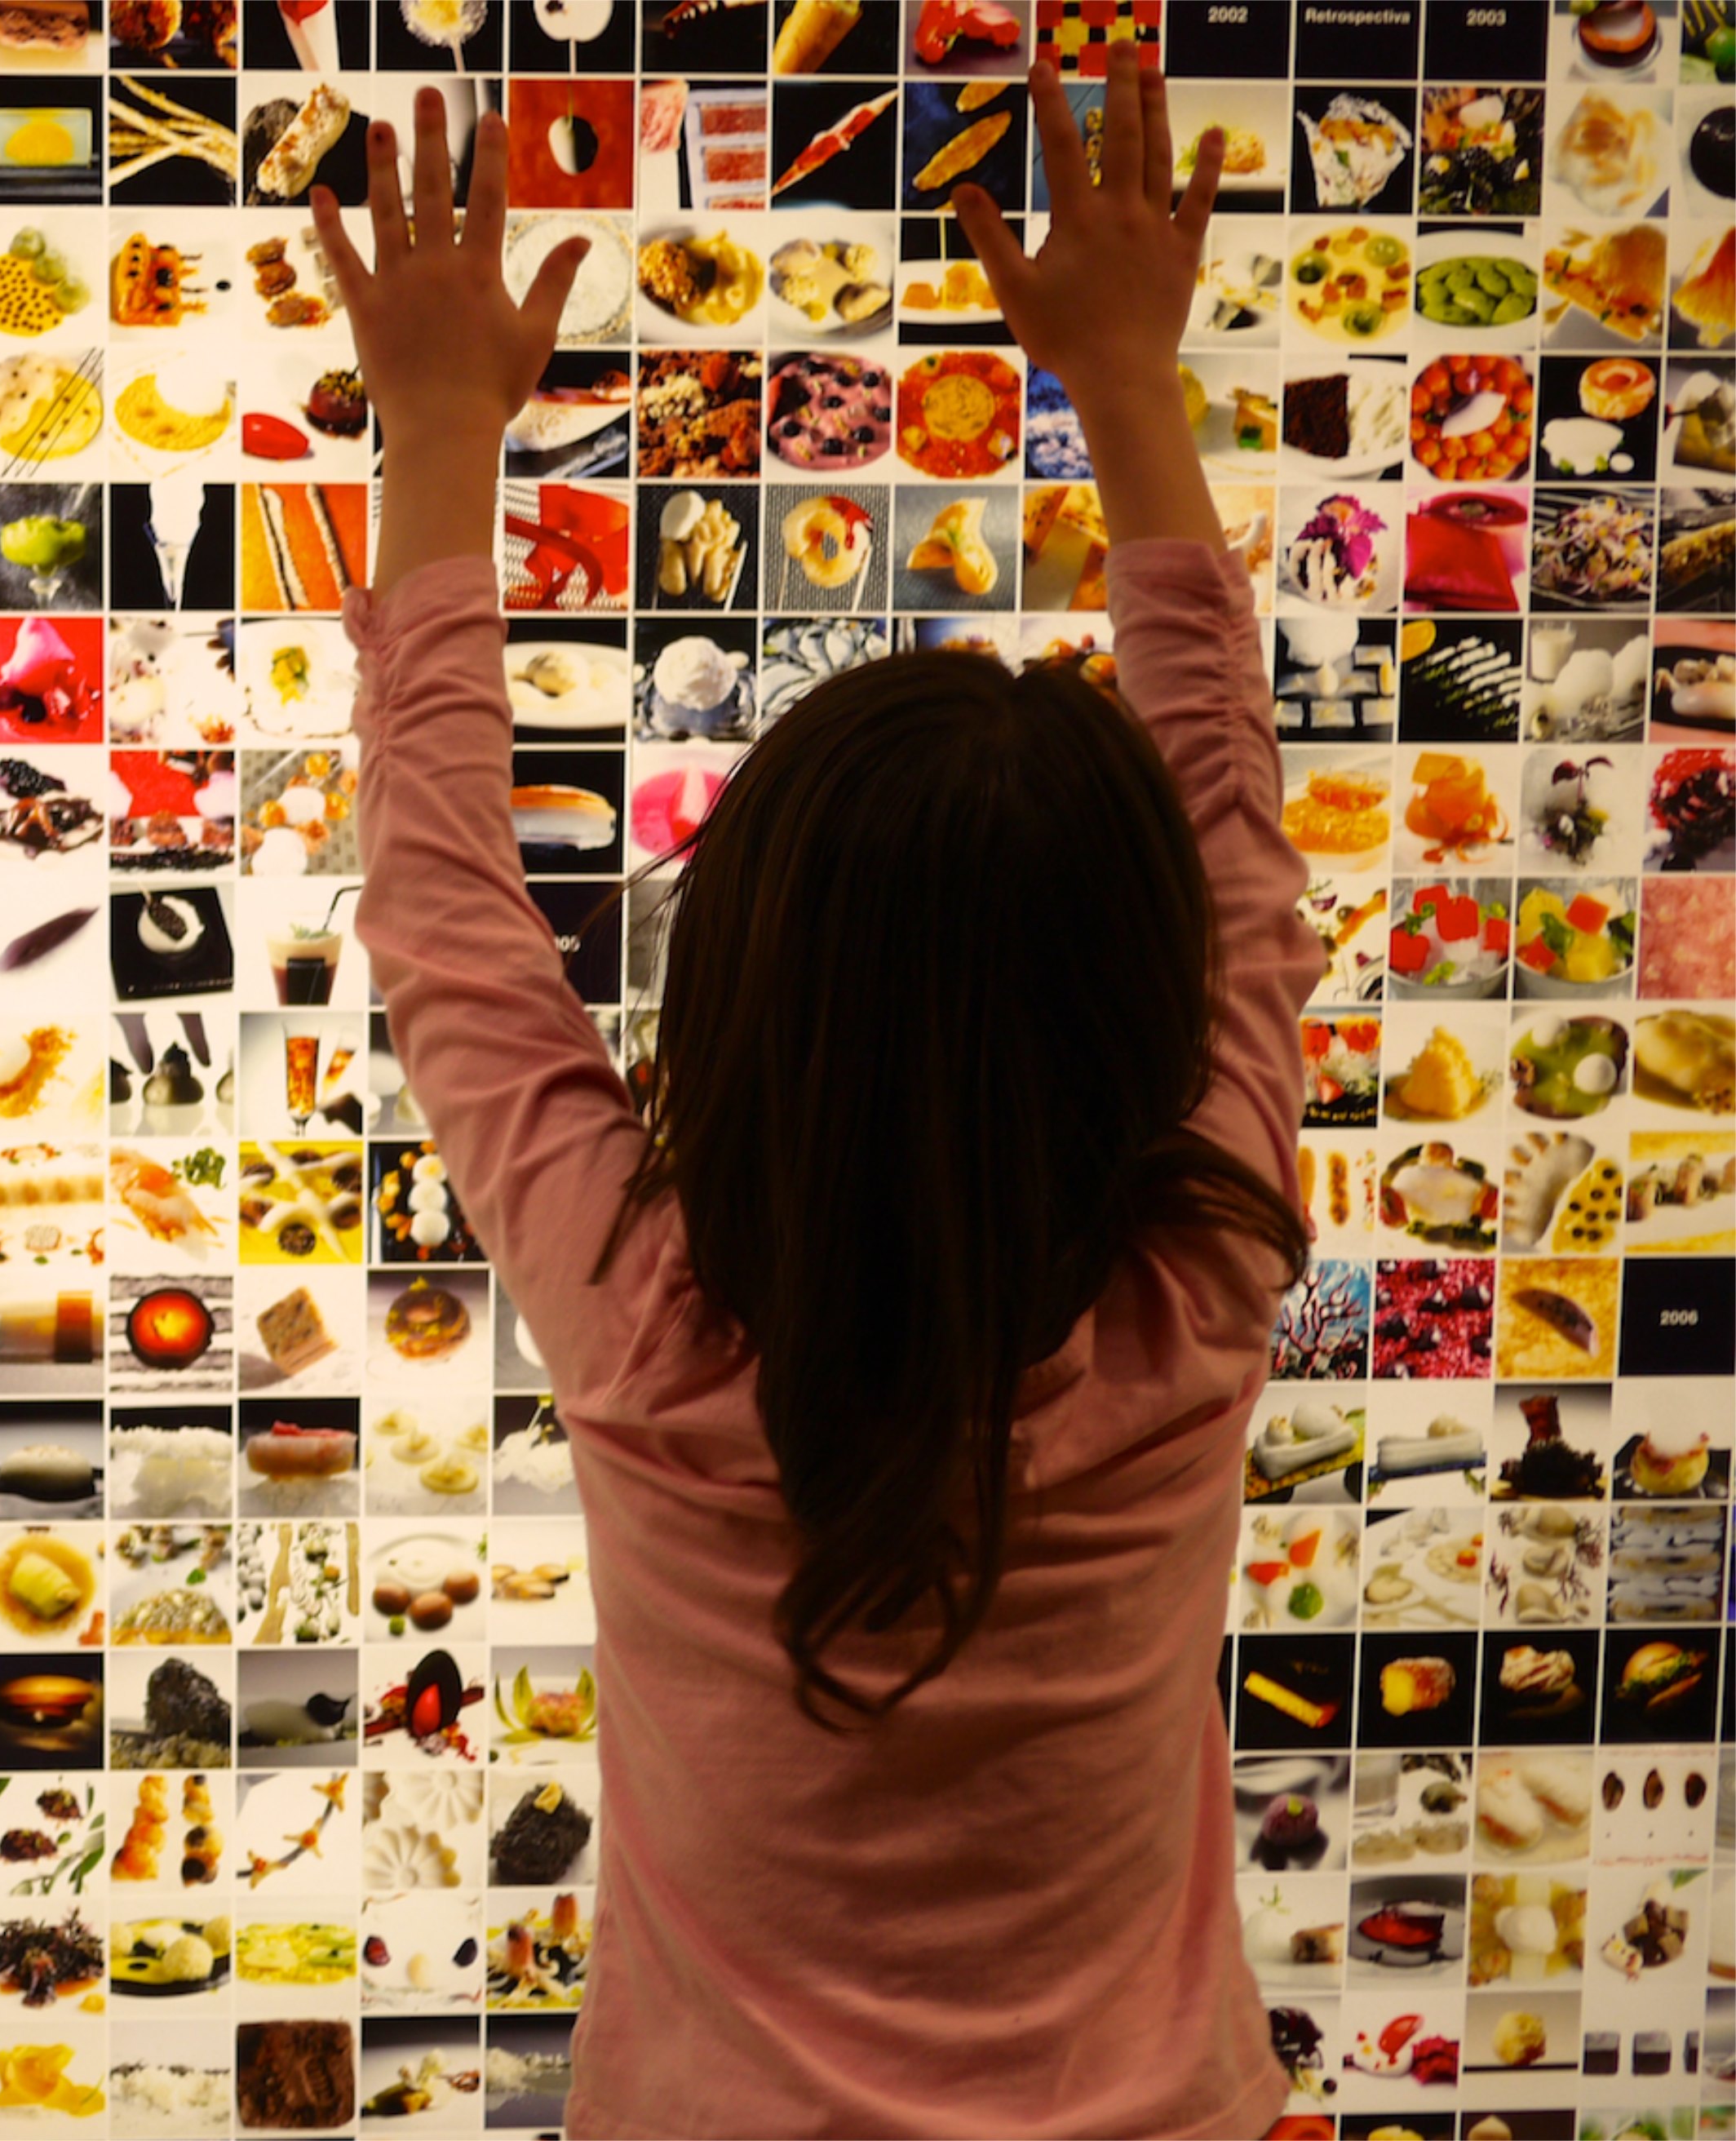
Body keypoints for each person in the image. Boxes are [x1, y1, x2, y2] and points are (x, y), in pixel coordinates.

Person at [316, 52, 1316, 2140]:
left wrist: (431, 434)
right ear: (1144, 1007)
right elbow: (1228, 816)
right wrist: (1127, 386)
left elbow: (441, 910)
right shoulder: (1192, 1289)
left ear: (743, 985)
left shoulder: (652, 1322)